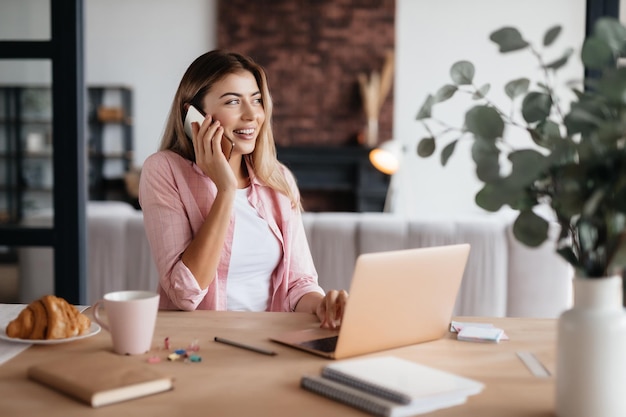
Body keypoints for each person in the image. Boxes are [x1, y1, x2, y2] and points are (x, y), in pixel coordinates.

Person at [138, 50, 348, 329]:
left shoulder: (278, 179)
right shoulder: (164, 170)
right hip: (197, 345)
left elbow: (299, 284)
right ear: (193, 115)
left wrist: (322, 306)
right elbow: (185, 294)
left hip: (268, 341)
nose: (252, 115)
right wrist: (225, 190)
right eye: (233, 102)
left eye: (257, 100)